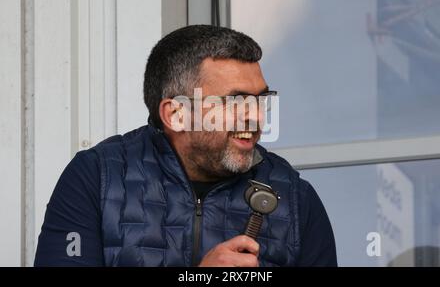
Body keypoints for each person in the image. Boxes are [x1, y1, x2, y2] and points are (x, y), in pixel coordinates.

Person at [34, 25, 337, 267]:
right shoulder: (95, 177)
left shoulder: (295, 197)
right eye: (236, 101)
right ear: (176, 114)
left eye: (261, 100)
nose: (256, 116)